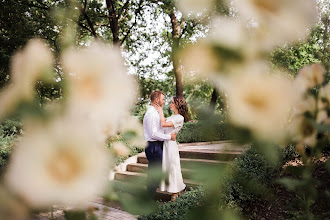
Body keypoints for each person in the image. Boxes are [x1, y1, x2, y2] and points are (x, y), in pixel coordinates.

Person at [143, 90, 177, 200]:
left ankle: (149, 200)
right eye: (163, 99)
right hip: (154, 146)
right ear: (157, 100)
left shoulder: (154, 112)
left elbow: (158, 129)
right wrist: (169, 137)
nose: (164, 101)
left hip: (153, 146)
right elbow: (153, 134)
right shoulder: (152, 114)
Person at [155, 96, 189, 202]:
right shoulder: (172, 117)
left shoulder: (180, 118)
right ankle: (179, 189)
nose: (170, 104)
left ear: (177, 105)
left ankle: (175, 192)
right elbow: (160, 124)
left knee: (173, 168)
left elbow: (163, 124)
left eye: (172, 102)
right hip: (165, 143)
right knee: (167, 167)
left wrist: (160, 110)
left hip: (170, 145)